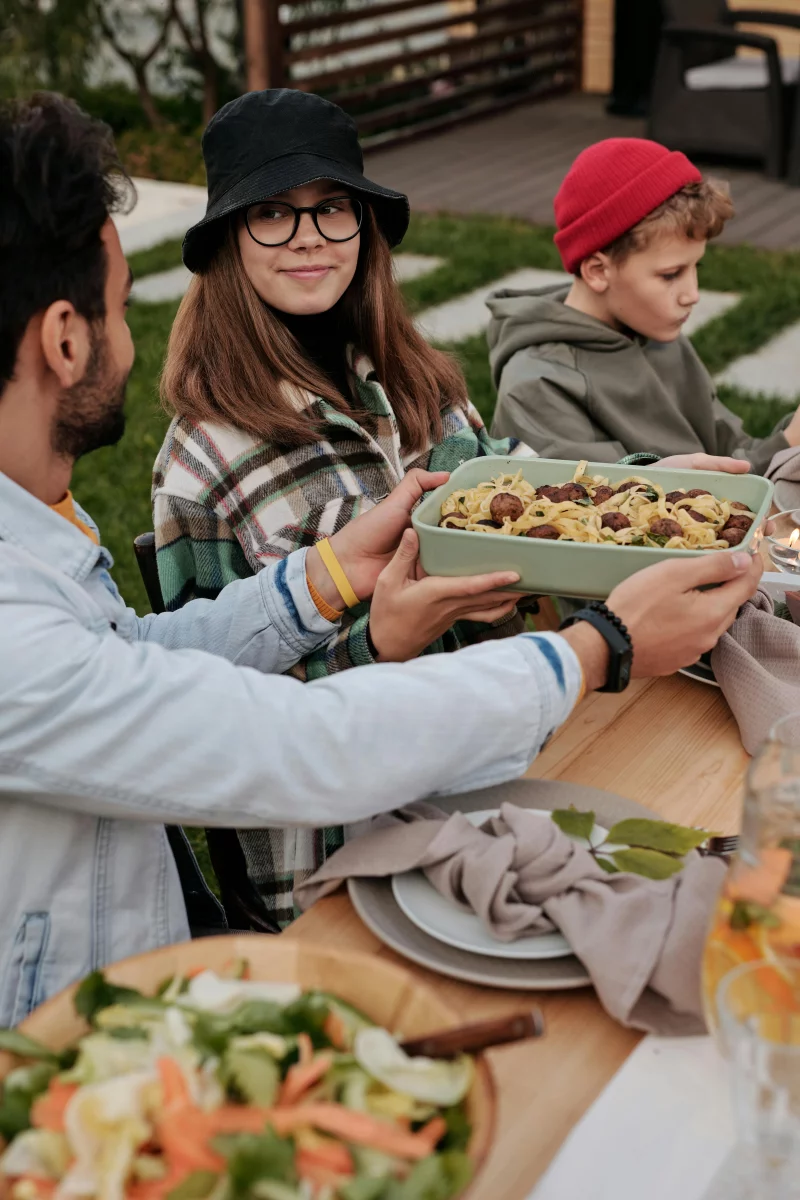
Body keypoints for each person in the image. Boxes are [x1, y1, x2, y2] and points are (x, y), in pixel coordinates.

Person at [0, 94, 762, 1024]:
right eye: (123, 308)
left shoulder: (412, 384)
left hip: (476, 799)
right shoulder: (51, 607)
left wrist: (330, 577)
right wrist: (593, 647)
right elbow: (283, 745)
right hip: (291, 907)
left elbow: (154, 658)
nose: (308, 236)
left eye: (333, 207)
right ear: (66, 339)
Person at [489, 138, 800, 471]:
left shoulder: (656, 331)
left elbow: (730, 452)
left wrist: (790, 440)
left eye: (697, 267)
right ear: (597, 271)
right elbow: (611, 510)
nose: (692, 294)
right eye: (670, 275)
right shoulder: (538, 386)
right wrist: (788, 444)